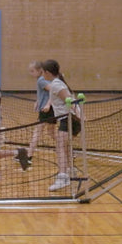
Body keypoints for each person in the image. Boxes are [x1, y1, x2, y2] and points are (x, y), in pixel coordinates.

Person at [41, 59, 82, 192]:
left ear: (47, 72)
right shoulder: (57, 83)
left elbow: (70, 101)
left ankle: (62, 177)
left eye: (43, 72)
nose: (42, 74)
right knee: (64, 146)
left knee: (60, 146)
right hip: (68, 118)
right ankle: (70, 170)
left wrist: (80, 116)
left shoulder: (57, 85)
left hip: (69, 119)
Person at [28, 60, 54, 155]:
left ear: (40, 70)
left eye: (32, 71)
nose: (31, 73)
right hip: (50, 109)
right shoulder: (43, 79)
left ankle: (28, 156)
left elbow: (53, 90)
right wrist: (38, 101)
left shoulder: (41, 80)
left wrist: (47, 104)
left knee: (37, 133)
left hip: (46, 110)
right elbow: (45, 93)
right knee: (51, 133)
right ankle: (68, 150)